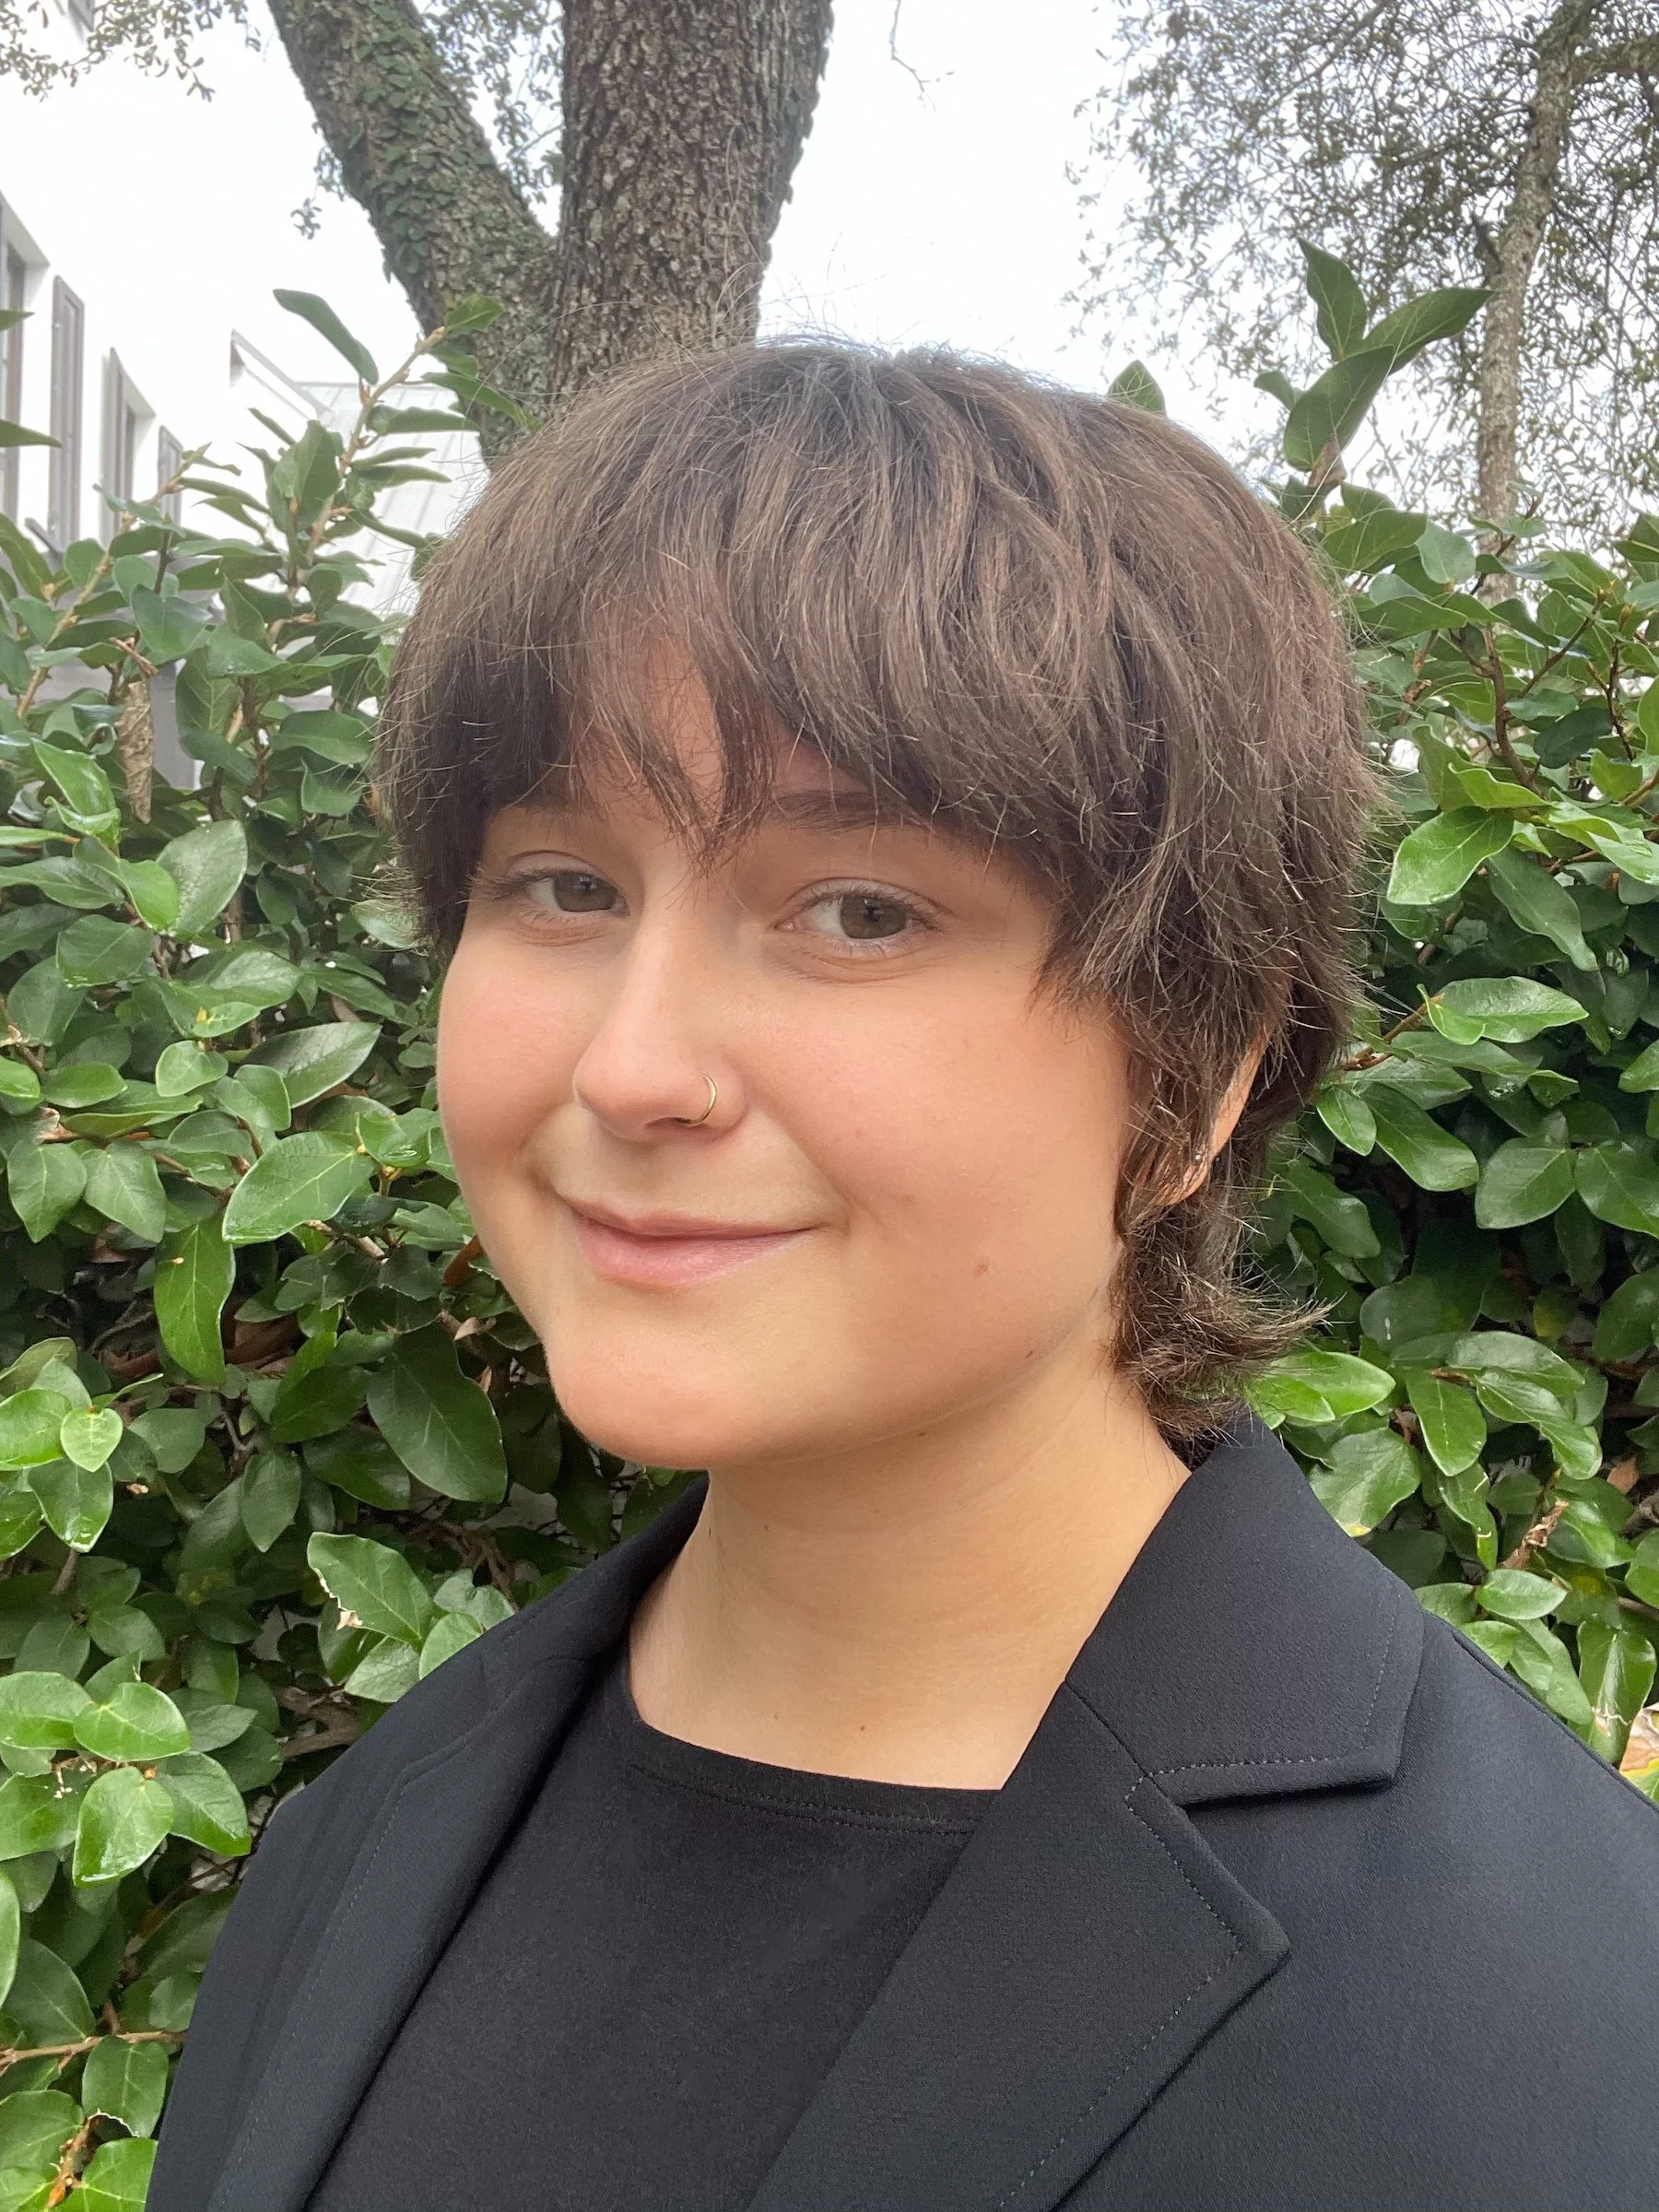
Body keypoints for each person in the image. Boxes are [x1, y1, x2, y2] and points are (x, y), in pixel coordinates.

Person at [151, 346, 1659, 2212]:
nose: (633, 1068)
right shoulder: (357, 1843)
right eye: (560, 883)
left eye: (857, 910)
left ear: (1206, 1070)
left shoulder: (1565, 2032)